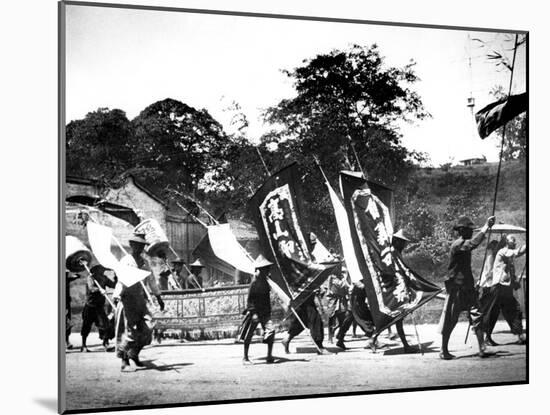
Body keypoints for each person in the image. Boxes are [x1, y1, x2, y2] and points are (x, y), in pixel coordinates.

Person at [438, 215, 496, 360]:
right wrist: (486, 227)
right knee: (451, 319)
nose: (471, 232)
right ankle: (443, 350)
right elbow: (473, 244)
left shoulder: (464, 243)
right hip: (456, 289)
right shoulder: (457, 245)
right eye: (470, 230)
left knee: (477, 316)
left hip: (468, 287)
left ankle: (482, 348)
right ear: (462, 230)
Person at [116, 234, 165, 372]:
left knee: (148, 329)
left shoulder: (145, 263)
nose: (139, 248)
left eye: (142, 246)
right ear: (131, 245)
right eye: (136, 245)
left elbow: (151, 281)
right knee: (129, 331)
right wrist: (118, 294)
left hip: (140, 300)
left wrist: (158, 297)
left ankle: (134, 354)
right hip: (127, 298)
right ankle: (124, 361)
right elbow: (121, 279)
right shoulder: (126, 261)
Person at [485, 235, 527, 345]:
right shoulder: (502, 252)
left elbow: (510, 272)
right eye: (513, 242)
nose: (515, 244)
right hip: (498, 287)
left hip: (506, 288)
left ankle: (520, 335)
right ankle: (487, 337)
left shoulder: (509, 258)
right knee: (493, 312)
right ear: (507, 243)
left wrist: (515, 282)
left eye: (515, 242)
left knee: (515, 310)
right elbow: (517, 252)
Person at [239, 255, 276, 365]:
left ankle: (269, 355)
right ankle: (245, 357)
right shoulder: (254, 282)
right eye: (264, 269)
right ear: (259, 270)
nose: (266, 271)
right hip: (255, 312)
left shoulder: (266, 282)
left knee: (271, 331)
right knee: (249, 335)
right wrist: (253, 313)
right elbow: (250, 299)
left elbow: (267, 298)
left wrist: (268, 312)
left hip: (264, 312)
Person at [80, 265, 117, 352]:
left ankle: (106, 344)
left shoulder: (104, 278)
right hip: (90, 306)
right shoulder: (91, 277)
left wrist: (116, 277)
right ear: (96, 271)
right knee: (86, 326)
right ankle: (83, 346)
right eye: (101, 270)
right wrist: (100, 290)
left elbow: (113, 285)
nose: (103, 271)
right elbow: (91, 288)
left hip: (99, 306)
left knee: (105, 325)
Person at [281, 288, 328, 355]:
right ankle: (319, 346)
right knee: (315, 319)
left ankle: (287, 338)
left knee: (302, 320)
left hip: (300, 297)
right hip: (305, 295)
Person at [478, 236, 507, 346]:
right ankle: (486, 336)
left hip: (492, 285)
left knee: (493, 311)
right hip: (489, 286)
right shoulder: (490, 255)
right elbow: (489, 272)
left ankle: (488, 336)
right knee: (489, 311)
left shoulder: (494, 255)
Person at [326, 267, 351, 344]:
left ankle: (340, 335)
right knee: (331, 318)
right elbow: (328, 289)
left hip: (342, 300)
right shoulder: (331, 277)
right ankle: (330, 337)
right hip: (333, 300)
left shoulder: (343, 277)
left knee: (343, 319)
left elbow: (346, 286)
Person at [66, 271, 81, 350]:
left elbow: (78, 275)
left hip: (66, 303)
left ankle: (67, 341)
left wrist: (74, 270)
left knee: (67, 322)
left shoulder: (67, 279)